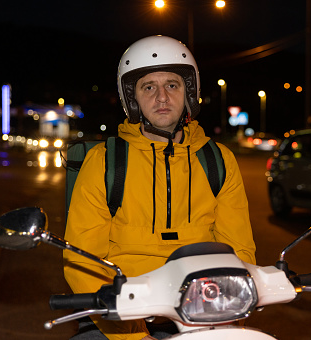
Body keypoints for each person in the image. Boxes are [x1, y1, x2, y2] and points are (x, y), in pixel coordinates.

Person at [63, 35, 256, 340]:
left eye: (172, 85)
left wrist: (229, 318)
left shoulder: (218, 160)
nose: (162, 97)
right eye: (148, 87)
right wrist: (134, 335)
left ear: (189, 93)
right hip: (120, 312)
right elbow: (83, 260)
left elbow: (240, 252)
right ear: (133, 97)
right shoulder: (104, 161)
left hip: (203, 311)